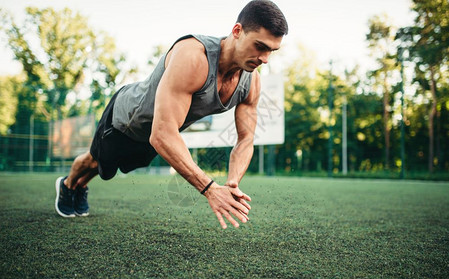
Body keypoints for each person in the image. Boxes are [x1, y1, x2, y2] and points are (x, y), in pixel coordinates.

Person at [55, 0, 288, 229]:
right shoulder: (194, 57)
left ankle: (80, 185)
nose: (265, 59)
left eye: (271, 51)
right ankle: (68, 185)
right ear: (237, 31)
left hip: (155, 136)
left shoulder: (251, 82)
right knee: (95, 160)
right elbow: (162, 134)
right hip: (127, 119)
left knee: (108, 168)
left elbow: (246, 138)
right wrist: (209, 189)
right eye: (260, 46)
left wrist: (232, 181)